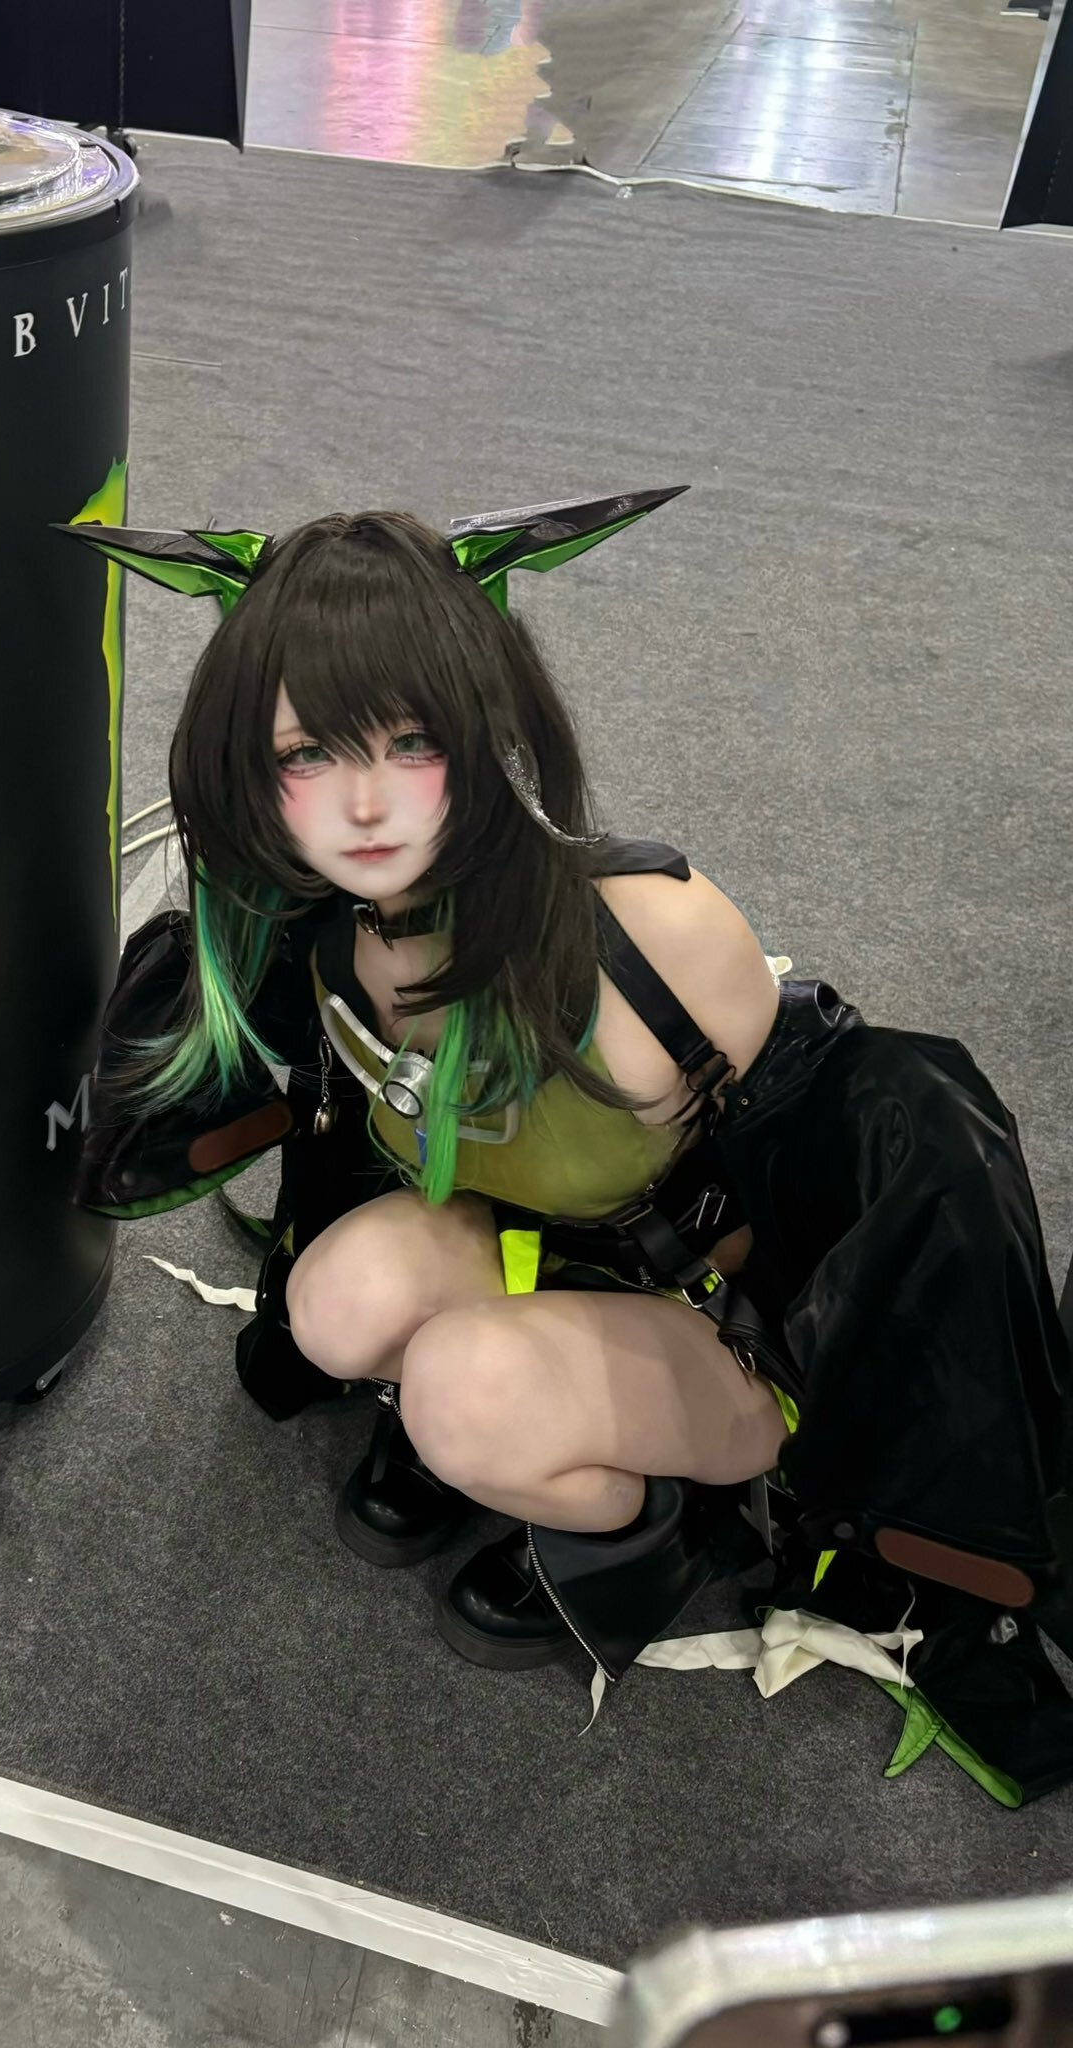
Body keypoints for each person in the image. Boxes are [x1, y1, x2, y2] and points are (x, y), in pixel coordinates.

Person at [57, 492, 1073, 1804]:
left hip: (730, 1324)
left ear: (482, 728)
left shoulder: (649, 938)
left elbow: (872, 1184)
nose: (362, 803)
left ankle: (661, 1512)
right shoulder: (318, 938)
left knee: (462, 1390)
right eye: (307, 753)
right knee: (335, 1304)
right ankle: (508, 1412)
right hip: (547, 1249)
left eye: (410, 742)